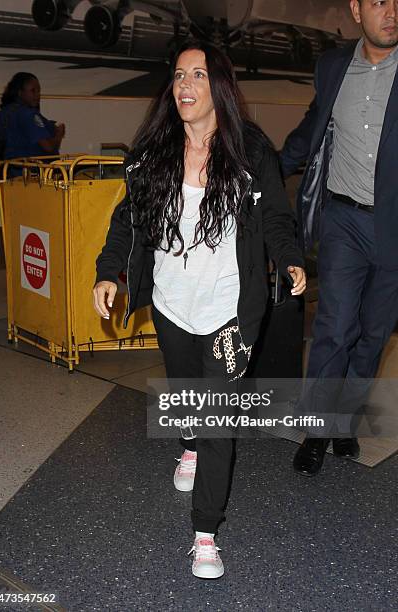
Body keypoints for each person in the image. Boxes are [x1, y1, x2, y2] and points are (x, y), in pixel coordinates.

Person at [93, 40, 305, 579]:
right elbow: (126, 221)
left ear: (220, 87)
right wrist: (108, 271)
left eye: (199, 75)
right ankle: (186, 444)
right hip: (171, 306)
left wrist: (289, 260)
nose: (186, 85)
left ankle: (204, 532)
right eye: (180, 75)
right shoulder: (152, 152)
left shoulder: (250, 153)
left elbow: (278, 219)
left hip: (230, 313)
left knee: (218, 424)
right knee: (186, 396)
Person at [281, 0, 398, 476]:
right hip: (343, 219)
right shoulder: (332, 67)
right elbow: (312, 127)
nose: (390, 11)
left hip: (394, 227)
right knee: (333, 327)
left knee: (372, 337)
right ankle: (316, 428)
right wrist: (269, 167)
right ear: (355, 10)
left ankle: (343, 420)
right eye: (377, 2)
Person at [0, 72, 65, 172]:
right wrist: (59, 134)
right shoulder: (29, 114)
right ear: (20, 92)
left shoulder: (4, 113)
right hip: (34, 174)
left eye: (38, 91)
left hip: (11, 171)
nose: (37, 95)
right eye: (33, 91)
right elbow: (48, 147)